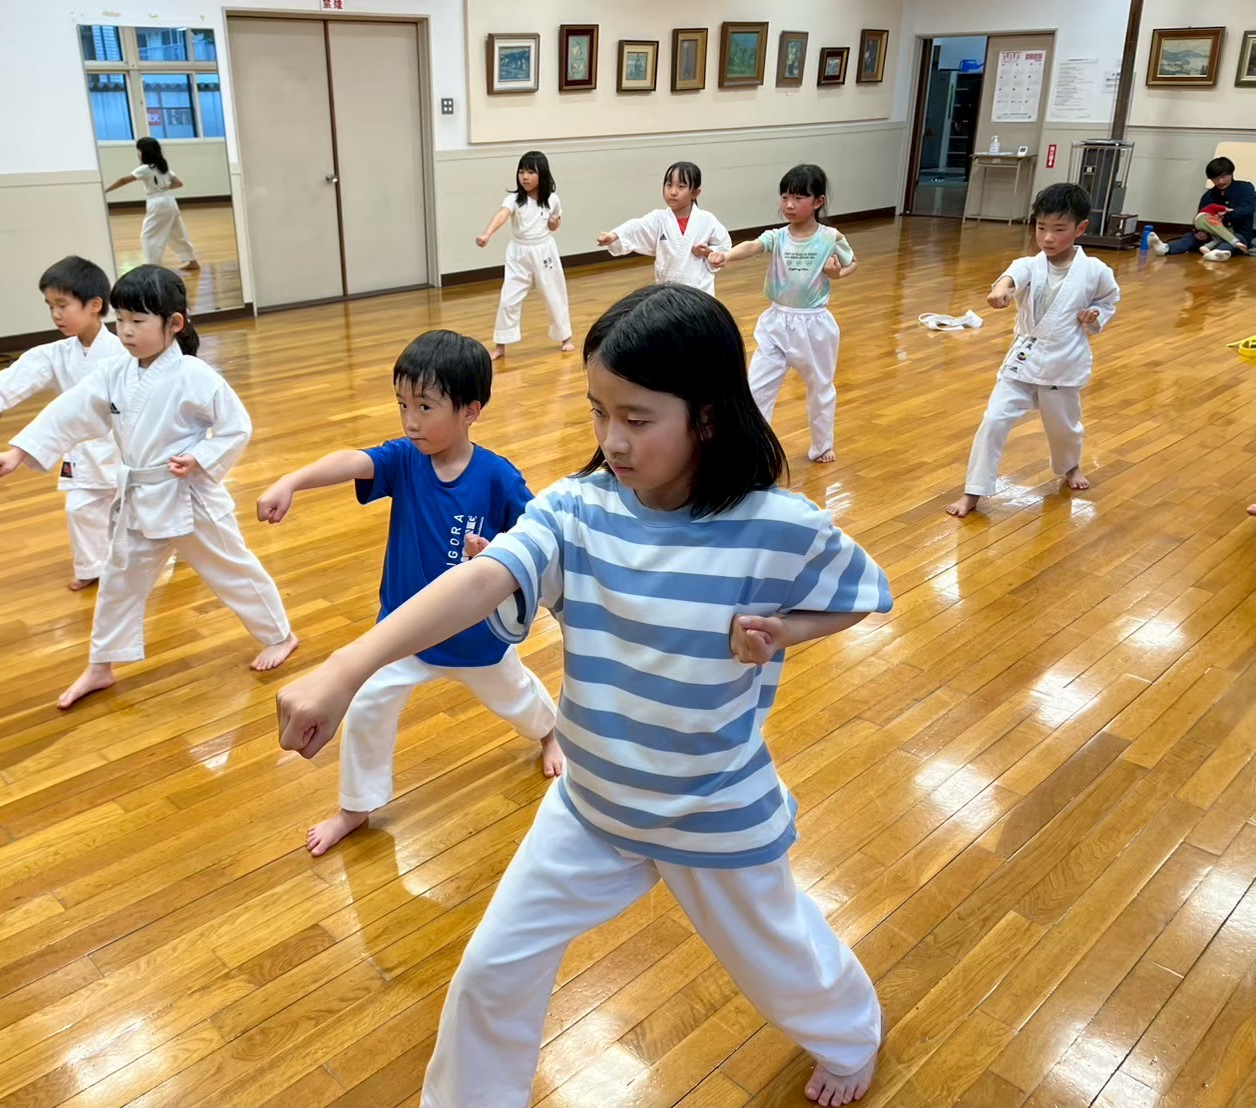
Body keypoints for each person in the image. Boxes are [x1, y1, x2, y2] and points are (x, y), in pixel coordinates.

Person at [278, 284, 892, 1108]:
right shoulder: (576, 508)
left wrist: (785, 631)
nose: (612, 441)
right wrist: (347, 668)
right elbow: (485, 578)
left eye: (637, 420)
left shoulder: (777, 525)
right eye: (598, 412)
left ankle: (852, 1035)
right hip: (591, 802)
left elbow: (862, 591)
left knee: (776, 953)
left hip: (707, 808)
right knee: (492, 966)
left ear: (707, 416)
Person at [256, 330, 563, 856]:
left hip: (475, 641)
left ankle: (550, 733)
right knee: (368, 707)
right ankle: (355, 807)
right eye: (402, 405)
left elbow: (535, 544)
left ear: (471, 411)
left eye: (425, 406)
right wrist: (292, 480)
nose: (410, 421)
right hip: (400, 635)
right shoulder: (405, 460)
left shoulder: (498, 478)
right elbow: (352, 461)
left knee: (516, 698)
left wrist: (492, 549)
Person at [0, 265, 295, 708]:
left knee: (231, 568)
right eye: (121, 320)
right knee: (118, 580)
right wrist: (20, 451)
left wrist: (201, 458)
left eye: (138, 321)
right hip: (137, 496)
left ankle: (279, 635)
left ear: (174, 324)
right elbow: (70, 410)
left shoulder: (194, 375)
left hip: (187, 495)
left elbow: (235, 427)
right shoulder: (117, 373)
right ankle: (101, 665)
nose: (126, 332)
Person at [0, 256, 123, 591]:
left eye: (63, 304)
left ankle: (172, 547)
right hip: (82, 450)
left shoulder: (121, 352)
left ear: (94, 305)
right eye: (50, 306)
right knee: (80, 509)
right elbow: (22, 373)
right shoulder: (56, 353)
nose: (56, 314)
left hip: (123, 449)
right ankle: (93, 568)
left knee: (138, 513)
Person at [947, 183, 1120, 517]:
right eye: (1041, 228)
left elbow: (1108, 299)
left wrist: (1095, 314)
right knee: (993, 420)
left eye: (1059, 229)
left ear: (1080, 228)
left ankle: (1070, 467)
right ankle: (974, 491)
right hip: (1022, 363)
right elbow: (1012, 278)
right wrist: (1000, 291)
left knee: (1065, 428)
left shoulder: (1095, 270)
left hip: (1063, 362)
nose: (1048, 238)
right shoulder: (1029, 264)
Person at [710, 164, 856, 463]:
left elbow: (851, 262)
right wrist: (726, 256)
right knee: (757, 386)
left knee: (820, 386)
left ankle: (822, 444)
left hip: (814, 325)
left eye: (799, 198)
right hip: (776, 321)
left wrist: (837, 274)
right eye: (785, 197)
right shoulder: (778, 237)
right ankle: (751, 447)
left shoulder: (830, 237)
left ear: (818, 202)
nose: (789, 205)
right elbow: (752, 246)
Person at [475, 150, 573, 359]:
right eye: (521, 172)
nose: (525, 177)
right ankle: (501, 345)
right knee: (508, 299)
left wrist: (554, 223)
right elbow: (502, 215)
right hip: (519, 253)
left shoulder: (552, 199)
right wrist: (487, 234)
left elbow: (555, 223)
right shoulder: (514, 199)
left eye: (530, 172)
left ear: (542, 175)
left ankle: (565, 337)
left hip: (544, 251)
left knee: (554, 294)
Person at [595, 161, 731, 294]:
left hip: (700, 291)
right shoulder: (658, 219)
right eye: (669, 185)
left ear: (695, 193)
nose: (673, 192)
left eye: (681, 186)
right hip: (667, 292)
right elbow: (636, 227)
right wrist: (613, 235)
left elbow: (724, 245)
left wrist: (709, 252)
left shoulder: (707, 220)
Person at [104, 137, 201, 271]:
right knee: (177, 233)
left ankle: (151, 265)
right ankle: (192, 261)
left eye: (138, 150)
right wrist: (164, 188)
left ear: (144, 152)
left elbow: (123, 180)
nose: (138, 153)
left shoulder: (146, 168)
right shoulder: (163, 166)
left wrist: (105, 190)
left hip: (158, 203)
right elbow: (179, 183)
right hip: (170, 201)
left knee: (148, 235)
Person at [1148, 156, 1254, 260]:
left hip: (1238, 233)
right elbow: (1200, 216)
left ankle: (1218, 253)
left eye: (1223, 177)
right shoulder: (1208, 195)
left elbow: (1248, 208)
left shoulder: (1245, 188)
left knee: (1234, 241)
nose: (1220, 182)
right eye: (1215, 179)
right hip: (1212, 234)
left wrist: (1226, 216)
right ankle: (1165, 248)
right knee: (1190, 237)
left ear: (1231, 174)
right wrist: (1199, 231)